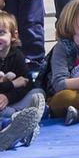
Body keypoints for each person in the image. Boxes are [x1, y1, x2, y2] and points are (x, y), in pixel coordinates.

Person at [0, 11, 45, 149]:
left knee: (37, 93)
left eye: (1, 33)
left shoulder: (17, 56)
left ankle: (20, 123)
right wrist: (12, 84)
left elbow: (27, 84)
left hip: (12, 103)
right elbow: (18, 83)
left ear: (13, 36)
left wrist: (8, 96)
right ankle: (16, 128)